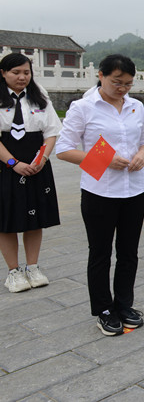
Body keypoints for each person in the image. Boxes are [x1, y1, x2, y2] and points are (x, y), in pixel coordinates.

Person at [56, 54, 144, 336]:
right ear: (101, 75)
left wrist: (141, 155)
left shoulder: (136, 107)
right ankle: (104, 309)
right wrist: (105, 160)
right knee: (100, 252)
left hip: (135, 188)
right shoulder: (83, 107)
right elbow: (63, 149)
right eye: (116, 82)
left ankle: (124, 304)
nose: (122, 89)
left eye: (128, 84)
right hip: (100, 192)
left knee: (128, 251)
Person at [0, 53, 61, 293]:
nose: (22, 77)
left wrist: (43, 159)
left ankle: (33, 266)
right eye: (16, 72)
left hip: (37, 165)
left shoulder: (40, 95)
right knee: (6, 221)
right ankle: (14, 271)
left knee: (35, 219)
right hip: (6, 164)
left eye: (26, 72)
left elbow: (52, 131)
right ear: (3, 73)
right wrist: (13, 163)